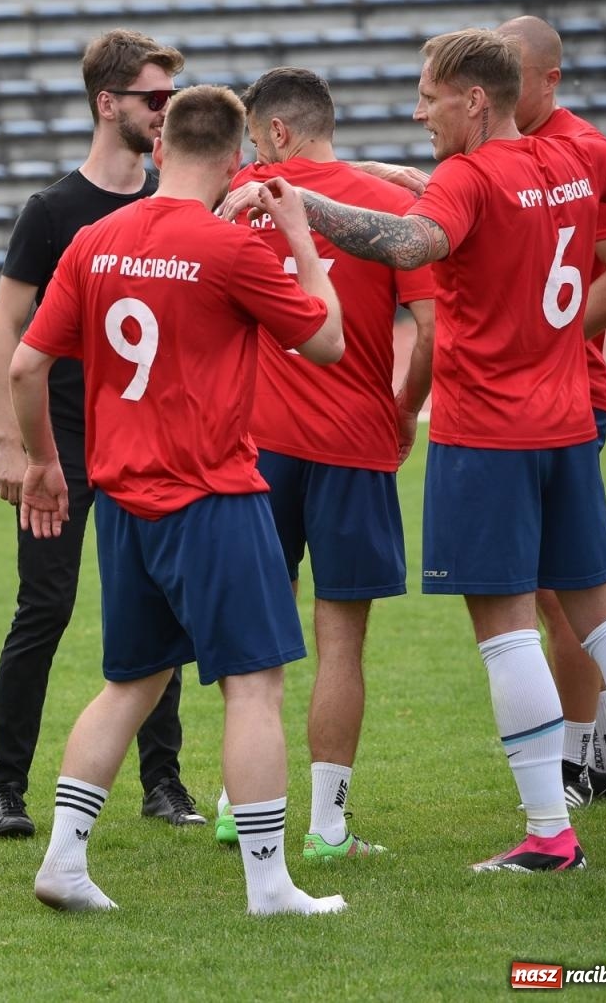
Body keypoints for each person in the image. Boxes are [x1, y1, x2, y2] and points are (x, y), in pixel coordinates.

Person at [227, 27, 606, 870]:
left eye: (428, 96)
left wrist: (299, 204)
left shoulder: (469, 179)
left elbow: (408, 244)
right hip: (569, 423)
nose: (417, 111)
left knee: (506, 631)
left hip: (489, 435)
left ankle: (549, 835)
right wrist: (397, 183)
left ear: (474, 99)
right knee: (605, 615)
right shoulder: (574, 157)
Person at [15, 84, 347, 915]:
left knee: (131, 682)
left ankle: (63, 860)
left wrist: (46, 465)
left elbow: (25, 366)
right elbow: (328, 341)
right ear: (238, 161)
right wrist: (302, 243)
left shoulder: (94, 239)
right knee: (254, 684)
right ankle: (269, 885)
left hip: (123, 503)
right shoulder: (233, 250)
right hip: (212, 497)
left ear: (159, 149)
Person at [0, 29, 204, 840]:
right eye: (153, 97)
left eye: (171, 98)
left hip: (151, 441)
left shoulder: (179, 199)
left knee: (158, 610)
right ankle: (5, 789)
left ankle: (164, 782)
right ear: (108, 104)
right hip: (63, 446)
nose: (166, 111)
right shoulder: (53, 211)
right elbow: (6, 328)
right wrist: (11, 442)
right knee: (44, 606)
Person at [220, 66, 436, 860]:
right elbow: (434, 334)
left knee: (256, 636)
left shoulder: (240, 197)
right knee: (341, 642)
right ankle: (327, 826)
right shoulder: (388, 207)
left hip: (253, 451)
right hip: (353, 443)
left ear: (274, 131)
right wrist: (405, 410)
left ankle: (231, 803)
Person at [497, 15, 606, 806]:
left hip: (567, 396)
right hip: (531, 398)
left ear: (549, 79)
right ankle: (605, 751)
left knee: (563, 591)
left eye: (510, 73)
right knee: (560, 590)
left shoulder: (579, 148)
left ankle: (576, 759)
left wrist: (544, 345)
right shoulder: (505, 148)